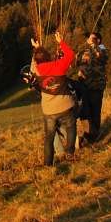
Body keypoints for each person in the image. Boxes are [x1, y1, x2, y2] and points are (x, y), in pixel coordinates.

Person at [31, 29, 77, 166]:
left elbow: (34, 63)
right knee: (71, 127)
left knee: (49, 138)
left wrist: (37, 48)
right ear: (49, 57)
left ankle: (48, 164)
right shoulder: (59, 65)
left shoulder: (36, 70)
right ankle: (70, 152)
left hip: (49, 110)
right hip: (65, 106)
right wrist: (60, 42)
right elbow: (71, 55)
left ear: (37, 60)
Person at [74, 31, 108, 145]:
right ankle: (89, 133)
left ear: (98, 40)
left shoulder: (102, 48)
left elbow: (104, 58)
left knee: (95, 111)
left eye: (92, 38)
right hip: (84, 85)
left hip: (96, 86)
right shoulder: (84, 50)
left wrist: (95, 46)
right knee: (84, 111)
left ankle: (94, 135)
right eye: (89, 38)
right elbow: (77, 61)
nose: (89, 40)